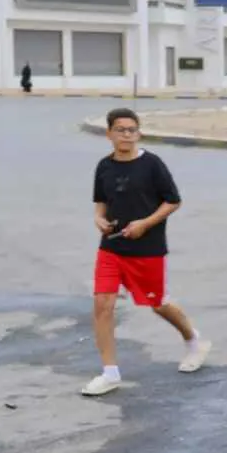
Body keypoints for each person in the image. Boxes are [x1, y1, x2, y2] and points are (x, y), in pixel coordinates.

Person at [84, 109, 211, 397]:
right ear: (109, 134)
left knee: (157, 303)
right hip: (111, 247)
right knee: (102, 304)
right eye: (121, 130)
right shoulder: (104, 166)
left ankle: (194, 341)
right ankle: (110, 373)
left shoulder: (152, 164)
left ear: (139, 133)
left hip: (147, 249)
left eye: (132, 130)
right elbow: (101, 201)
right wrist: (98, 219)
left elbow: (173, 201)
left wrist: (145, 223)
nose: (127, 135)